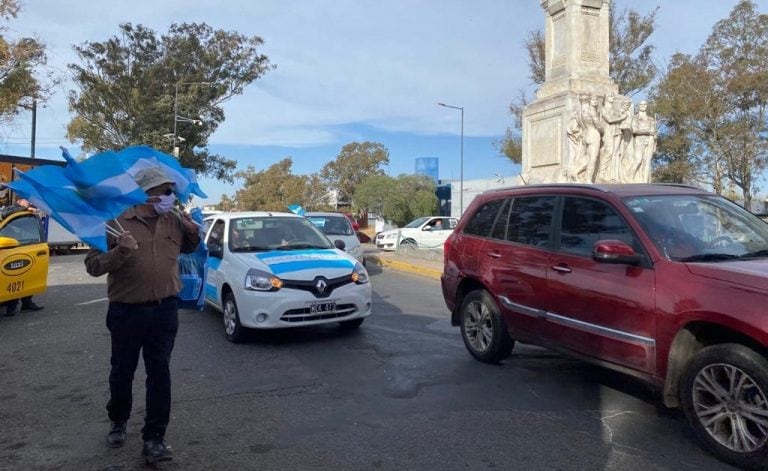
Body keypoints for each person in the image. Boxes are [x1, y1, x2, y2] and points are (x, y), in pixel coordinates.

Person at [84, 167, 200, 465]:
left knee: (160, 371)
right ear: (145, 193)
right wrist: (120, 252)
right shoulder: (115, 222)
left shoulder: (173, 220)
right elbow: (93, 266)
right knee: (122, 371)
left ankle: (155, 438)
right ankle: (118, 420)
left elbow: (187, 248)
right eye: (164, 191)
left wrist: (193, 233)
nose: (169, 197)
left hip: (165, 309)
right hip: (126, 311)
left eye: (171, 191)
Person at [1, 198, 44, 316]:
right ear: (19, 201)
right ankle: (11, 307)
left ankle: (27, 303)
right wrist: (25, 208)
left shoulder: (26, 211)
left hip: (24, 246)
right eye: (27, 200)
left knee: (26, 278)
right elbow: (5, 213)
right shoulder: (11, 208)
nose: (29, 203)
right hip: (11, 248)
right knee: (13, 280)